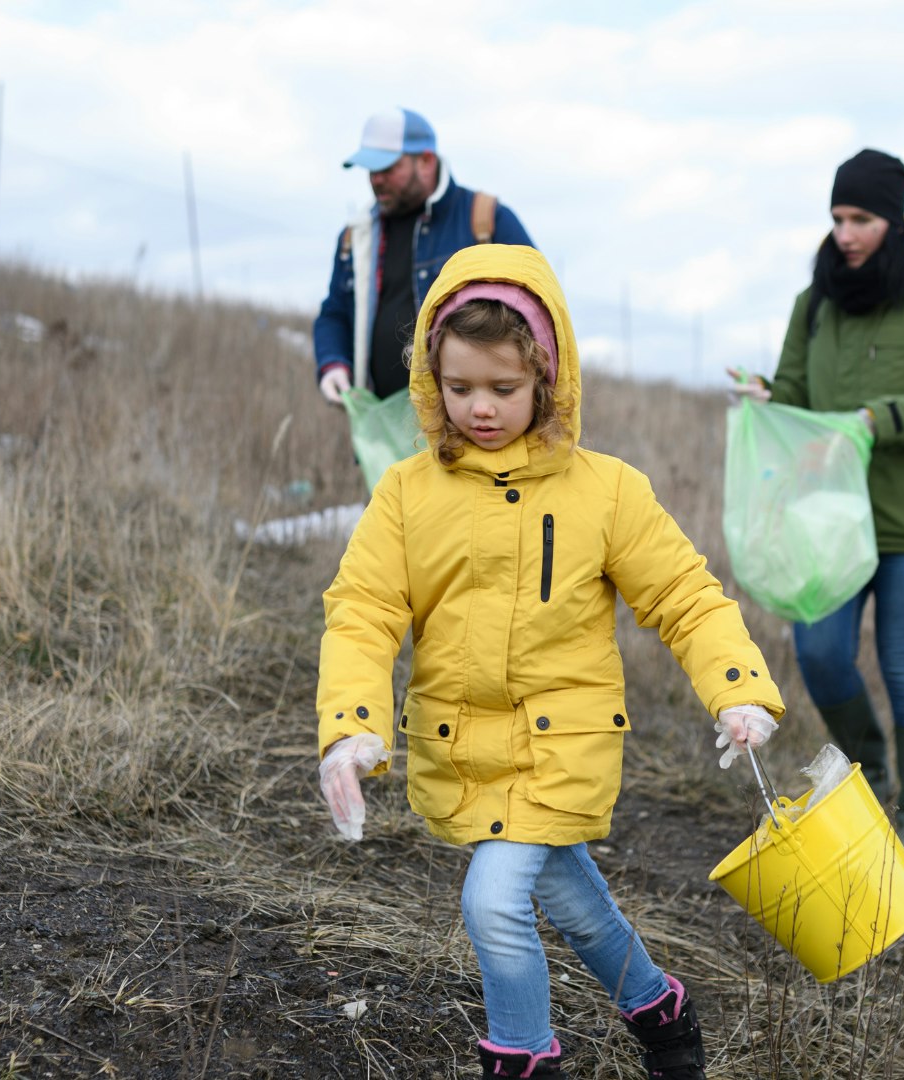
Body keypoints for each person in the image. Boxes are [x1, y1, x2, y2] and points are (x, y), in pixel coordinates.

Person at [316, 244, 783, 1080]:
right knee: (570, 898)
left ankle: (525, 1061)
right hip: (464, 746)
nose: (481, 409)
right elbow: (364, 612)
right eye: (459, 389)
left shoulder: (606, 491)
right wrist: (349, 728)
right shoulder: (406, 494)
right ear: (431, 380)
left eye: (503, 388)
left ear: (549, 378)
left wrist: (738, 691)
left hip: (562, 742)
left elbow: (685, 596)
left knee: (494, 904)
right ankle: (661, 1011)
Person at [728, 148, 904, 861]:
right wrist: (767, 398)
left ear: (895, 220)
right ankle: (870, 773)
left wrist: (875, 420)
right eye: (838, 217)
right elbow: (798, 397)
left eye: (862, 218)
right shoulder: (811, 304)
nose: (846, 233)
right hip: (829, 519)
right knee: (818, 651)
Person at [313, 107, 533, 407]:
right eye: (371, 171)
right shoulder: (356, 235)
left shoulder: (486, 219)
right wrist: (333, 364)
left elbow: (538, 309)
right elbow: (335, 312)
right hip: (380, 431)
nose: (376, 180)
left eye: (388, 169)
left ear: (427, 161)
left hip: (470, 426)